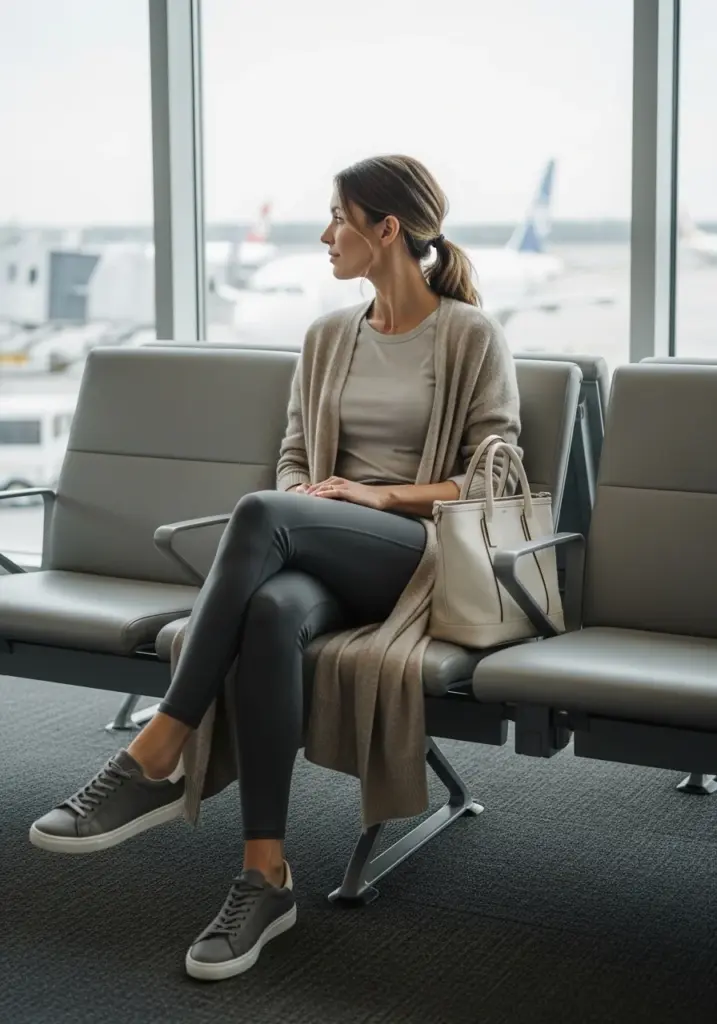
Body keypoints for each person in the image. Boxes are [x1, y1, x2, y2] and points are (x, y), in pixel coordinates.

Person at [29, 155, 521, 982]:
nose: (326, 236)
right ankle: (266, 875)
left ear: (385, 229)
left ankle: (159, 749)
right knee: (269, 613)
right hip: (323, 547)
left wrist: (376, 499)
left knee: (259, 513)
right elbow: (294, 459)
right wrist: (314, 504)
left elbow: (494, 479)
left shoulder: (469, 335)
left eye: (337, 218)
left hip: (416, 553)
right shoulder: (328, 335)